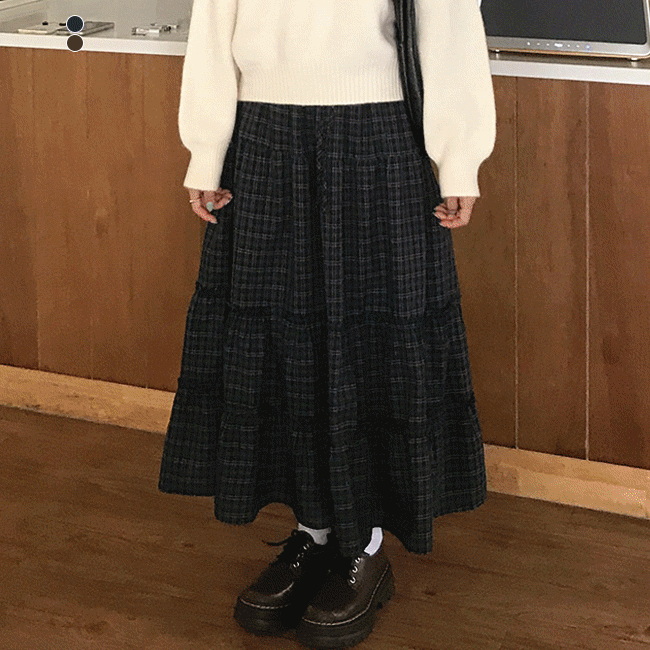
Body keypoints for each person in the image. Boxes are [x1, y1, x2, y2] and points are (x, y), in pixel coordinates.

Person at [158, 0, 496, 647]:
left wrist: (459, 157)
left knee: (372, 341)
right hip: (262, 135)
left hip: (379, 132)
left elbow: (449, 25)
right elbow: (213, 25)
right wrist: (206, 150)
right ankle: (313, 533)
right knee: (283, 343)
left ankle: (362, 545)